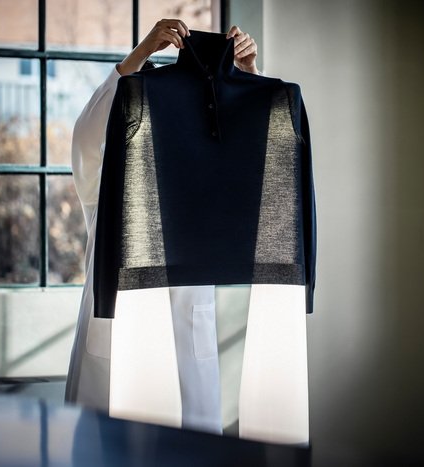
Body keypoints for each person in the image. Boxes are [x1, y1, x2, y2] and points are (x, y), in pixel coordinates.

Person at [64, 20, 260, 435]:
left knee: (188, 452)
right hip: (117, 343)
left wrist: (247, 78)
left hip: (186, 345)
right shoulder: (106, 183)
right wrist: (138, 57)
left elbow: (254, 164)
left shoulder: (205, 187)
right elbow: (86, 140)